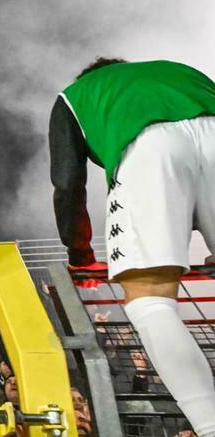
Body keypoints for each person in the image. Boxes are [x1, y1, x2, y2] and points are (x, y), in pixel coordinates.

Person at [50, 58, 215, 437]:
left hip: (151, 149)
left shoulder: (75, 96)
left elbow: (67, 183)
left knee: (150, 299)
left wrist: (80, 255)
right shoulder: (179, 70)